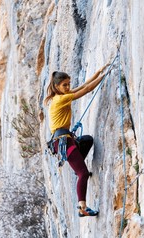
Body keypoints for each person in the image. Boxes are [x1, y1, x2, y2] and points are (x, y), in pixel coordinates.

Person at [44, 63, 110, 217]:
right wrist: (104, 76)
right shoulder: (60, 100)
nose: (68, 87)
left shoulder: (60, 96)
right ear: (56, 86)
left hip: (66, 139)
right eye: (64, 85)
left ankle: (78, 168)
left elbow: (84, 85)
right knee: (83, 174)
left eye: (68, 84)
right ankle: (82, 208)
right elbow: (87, 90)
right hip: (62, 141)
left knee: (87, 140)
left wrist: (98, 71)